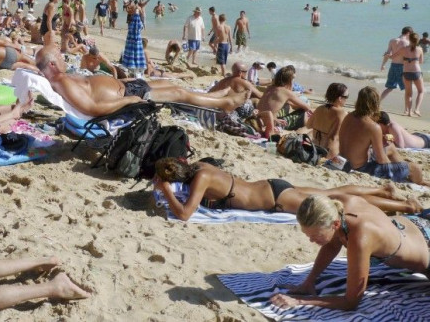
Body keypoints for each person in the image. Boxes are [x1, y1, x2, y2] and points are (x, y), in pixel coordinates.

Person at [270, 194, 430, 311]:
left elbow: (350, 302)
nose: (311, 241)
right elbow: (332, 246)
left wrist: (299, 301)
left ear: (336, 224)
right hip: (415, 223)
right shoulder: (334, 206)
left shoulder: (360, 238)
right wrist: (309, 282)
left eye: (316, 235)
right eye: (308, 235)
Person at [153, 158, 420, 223]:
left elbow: (186, 214)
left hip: (277, 199)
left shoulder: (199, 181)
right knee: (332, 191)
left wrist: (166, 192)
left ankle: (407, 207)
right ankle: (382, 190)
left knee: (339, 200)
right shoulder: (201, 166)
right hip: (271, 186)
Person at [36, 47, 249, 118]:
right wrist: (128, 100)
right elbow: (92, 108)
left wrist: (125, 83)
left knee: (177, 88)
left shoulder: (61, 78)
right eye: (60, 57)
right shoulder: (62, 81)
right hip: (127, 96)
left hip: (128, 88)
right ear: (53, 65)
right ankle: (224, 103)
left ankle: (218, 96)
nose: (64, 57)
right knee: (180, 94)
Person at [339, 86, 427, 185]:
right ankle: (420, 182)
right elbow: (381, 160)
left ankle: (403, 169)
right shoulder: (373, 126)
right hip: (361, 168)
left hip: (344, 161)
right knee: (415, 168)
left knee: (390, 147)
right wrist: (396, 166)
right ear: (376, 103)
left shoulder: (348, 116)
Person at [256, 65, 312, 132]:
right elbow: (307, 108)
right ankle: (306, 129)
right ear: (289, 80)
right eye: (292, 79)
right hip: (271, 124)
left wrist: (288, 101)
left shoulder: (269, 88)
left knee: (286, 106)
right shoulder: (286, 92)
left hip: (258, 121)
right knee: (303, 112)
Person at [305, 83, 349, 160]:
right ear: (339, 98)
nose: (346, 100)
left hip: (315, 148)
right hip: (328, 153)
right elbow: (334, 137)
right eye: (346, 97)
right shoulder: (342, 113)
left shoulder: (319, 108)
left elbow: (308, 125)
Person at [380, 26, 412, 101]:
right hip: (402, 67)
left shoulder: (392, 40)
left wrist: (383, 65)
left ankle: (378, 102)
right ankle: (407, 109)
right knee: (407, 89)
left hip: (393, 66)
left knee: (389, 88)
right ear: (408, 33)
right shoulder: (407, 43)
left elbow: (387, 54)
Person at [399, 32, 424, 116]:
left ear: (409, 39)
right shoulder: (420, 49)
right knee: (420, 91)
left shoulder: (404, 48)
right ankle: (416, 109)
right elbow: (421, 61)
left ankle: (409, 112)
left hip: (406, 72)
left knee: (408, 93)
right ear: (417, 40)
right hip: (416, 72)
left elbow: (395, 56)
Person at [121, 0, 145, 77]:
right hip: (135, 38)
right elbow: (139, 27)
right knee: (136, 52)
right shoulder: (136, 17)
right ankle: (135, 69)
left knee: (131, 52)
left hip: (131, 38)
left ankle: (132, 68)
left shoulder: (133, 18)